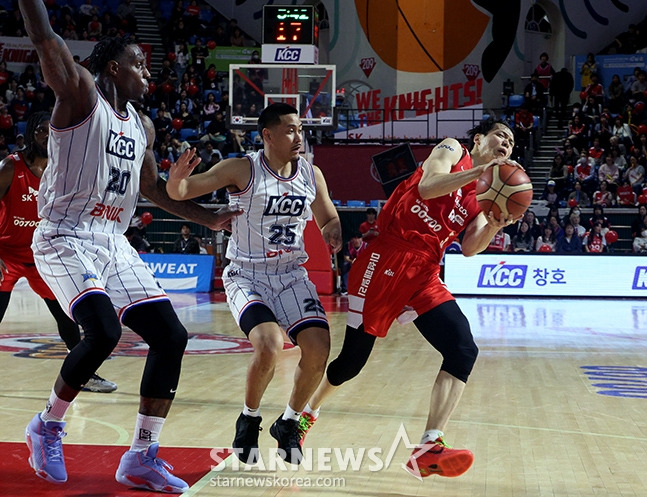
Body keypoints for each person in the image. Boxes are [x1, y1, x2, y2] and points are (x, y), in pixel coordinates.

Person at [19, 1, 240, 490]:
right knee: (100, 330)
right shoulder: (80, 94)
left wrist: (211, 217)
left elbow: (154, 190)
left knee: (171, 337)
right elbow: (43, 36)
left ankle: (141, 455)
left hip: (113, 242)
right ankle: (47, 425)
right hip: (64, 235)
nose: (147, 71)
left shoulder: (142, 125)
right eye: (139, 63)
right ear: (113, 68)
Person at [297, 116, 519, 479]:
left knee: (463, 349)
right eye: (500, 135)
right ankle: (304, 416)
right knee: (352, 362)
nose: (506, 143)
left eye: (511, 141)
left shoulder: (485, 193)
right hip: (387, 256)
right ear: (479, 139)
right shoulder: (452, 149)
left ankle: (429, 446)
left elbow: (469, 248)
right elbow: (429, 187)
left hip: (425, 271)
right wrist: (478, 174)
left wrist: (494, 224)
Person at [166, 102, 342, 466]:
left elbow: (327, 215)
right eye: (290, 130)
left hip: (292, 275)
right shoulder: (242, 168)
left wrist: (333, 231)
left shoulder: (312, 173)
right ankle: (249, 419)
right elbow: (182, 191)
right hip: (247, 274)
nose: (298, 137)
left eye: (300, 129)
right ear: (268, 135)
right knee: (268, 345)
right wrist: (176, 179)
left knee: (319, 347)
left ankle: (289, 422)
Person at [0, 111, 117, 393]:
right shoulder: (9, 167)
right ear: (28, 135)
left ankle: (84, 374)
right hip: (6, 255)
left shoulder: (61, 170)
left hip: (42, 255)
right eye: (40, 130)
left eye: (51, 131)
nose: (46, 135)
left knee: (67, 317)